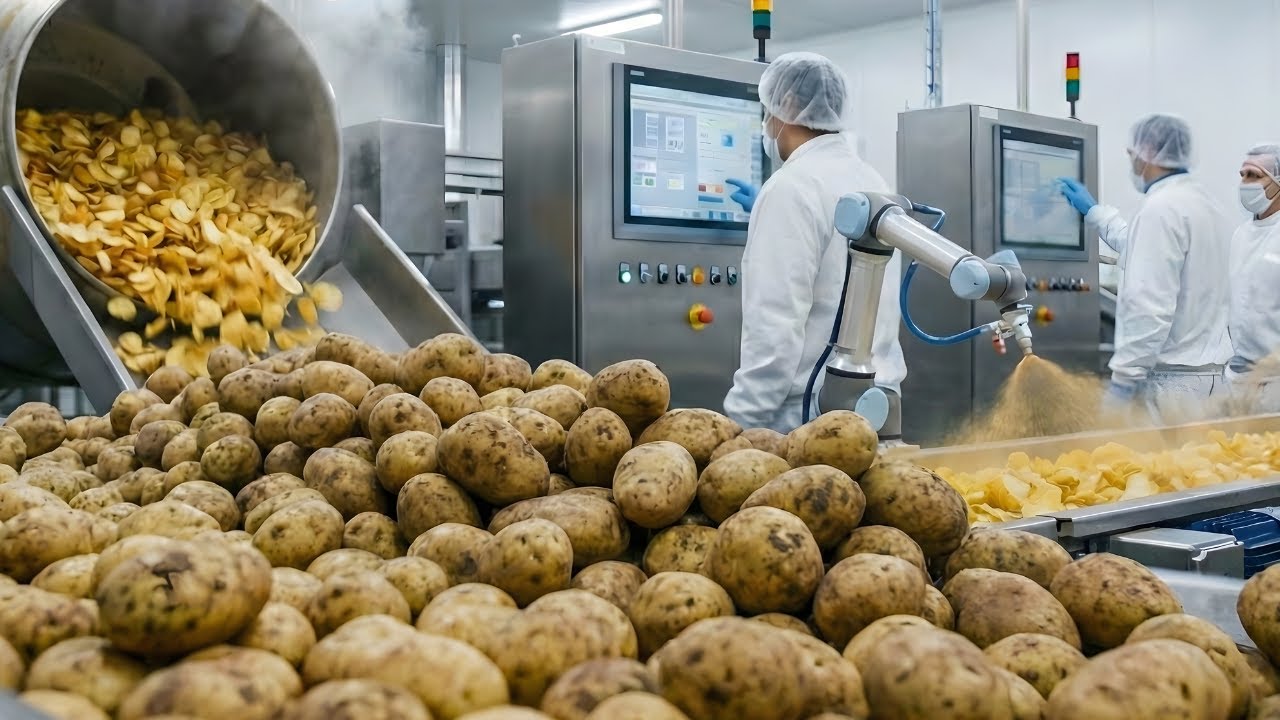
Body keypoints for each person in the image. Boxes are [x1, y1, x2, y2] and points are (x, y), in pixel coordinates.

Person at [721, 52, 906, 433]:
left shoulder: (791, 187)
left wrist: (738, 425)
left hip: (806, 421)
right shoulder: (873, 180)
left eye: (766, 110)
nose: (766, 122)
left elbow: (774, 326)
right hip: (877, 409)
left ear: (786, 106)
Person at [1059, 114, 1234, 424]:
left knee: (1168, 470)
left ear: (1149, 151)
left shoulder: (1160, 210)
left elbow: (1148, 303)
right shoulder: (1206, 206)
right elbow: (1152, 251)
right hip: (1213, 380)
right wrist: (1097, 213)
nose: (1132, 163)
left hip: (1175, 389)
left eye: (1132, 154)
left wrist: (1123, 380)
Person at [1225, 144, 1280, 414]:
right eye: (1243, 174)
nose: (1245, 183)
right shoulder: (1240, 235)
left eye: (1254, 176)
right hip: (1239, 379)